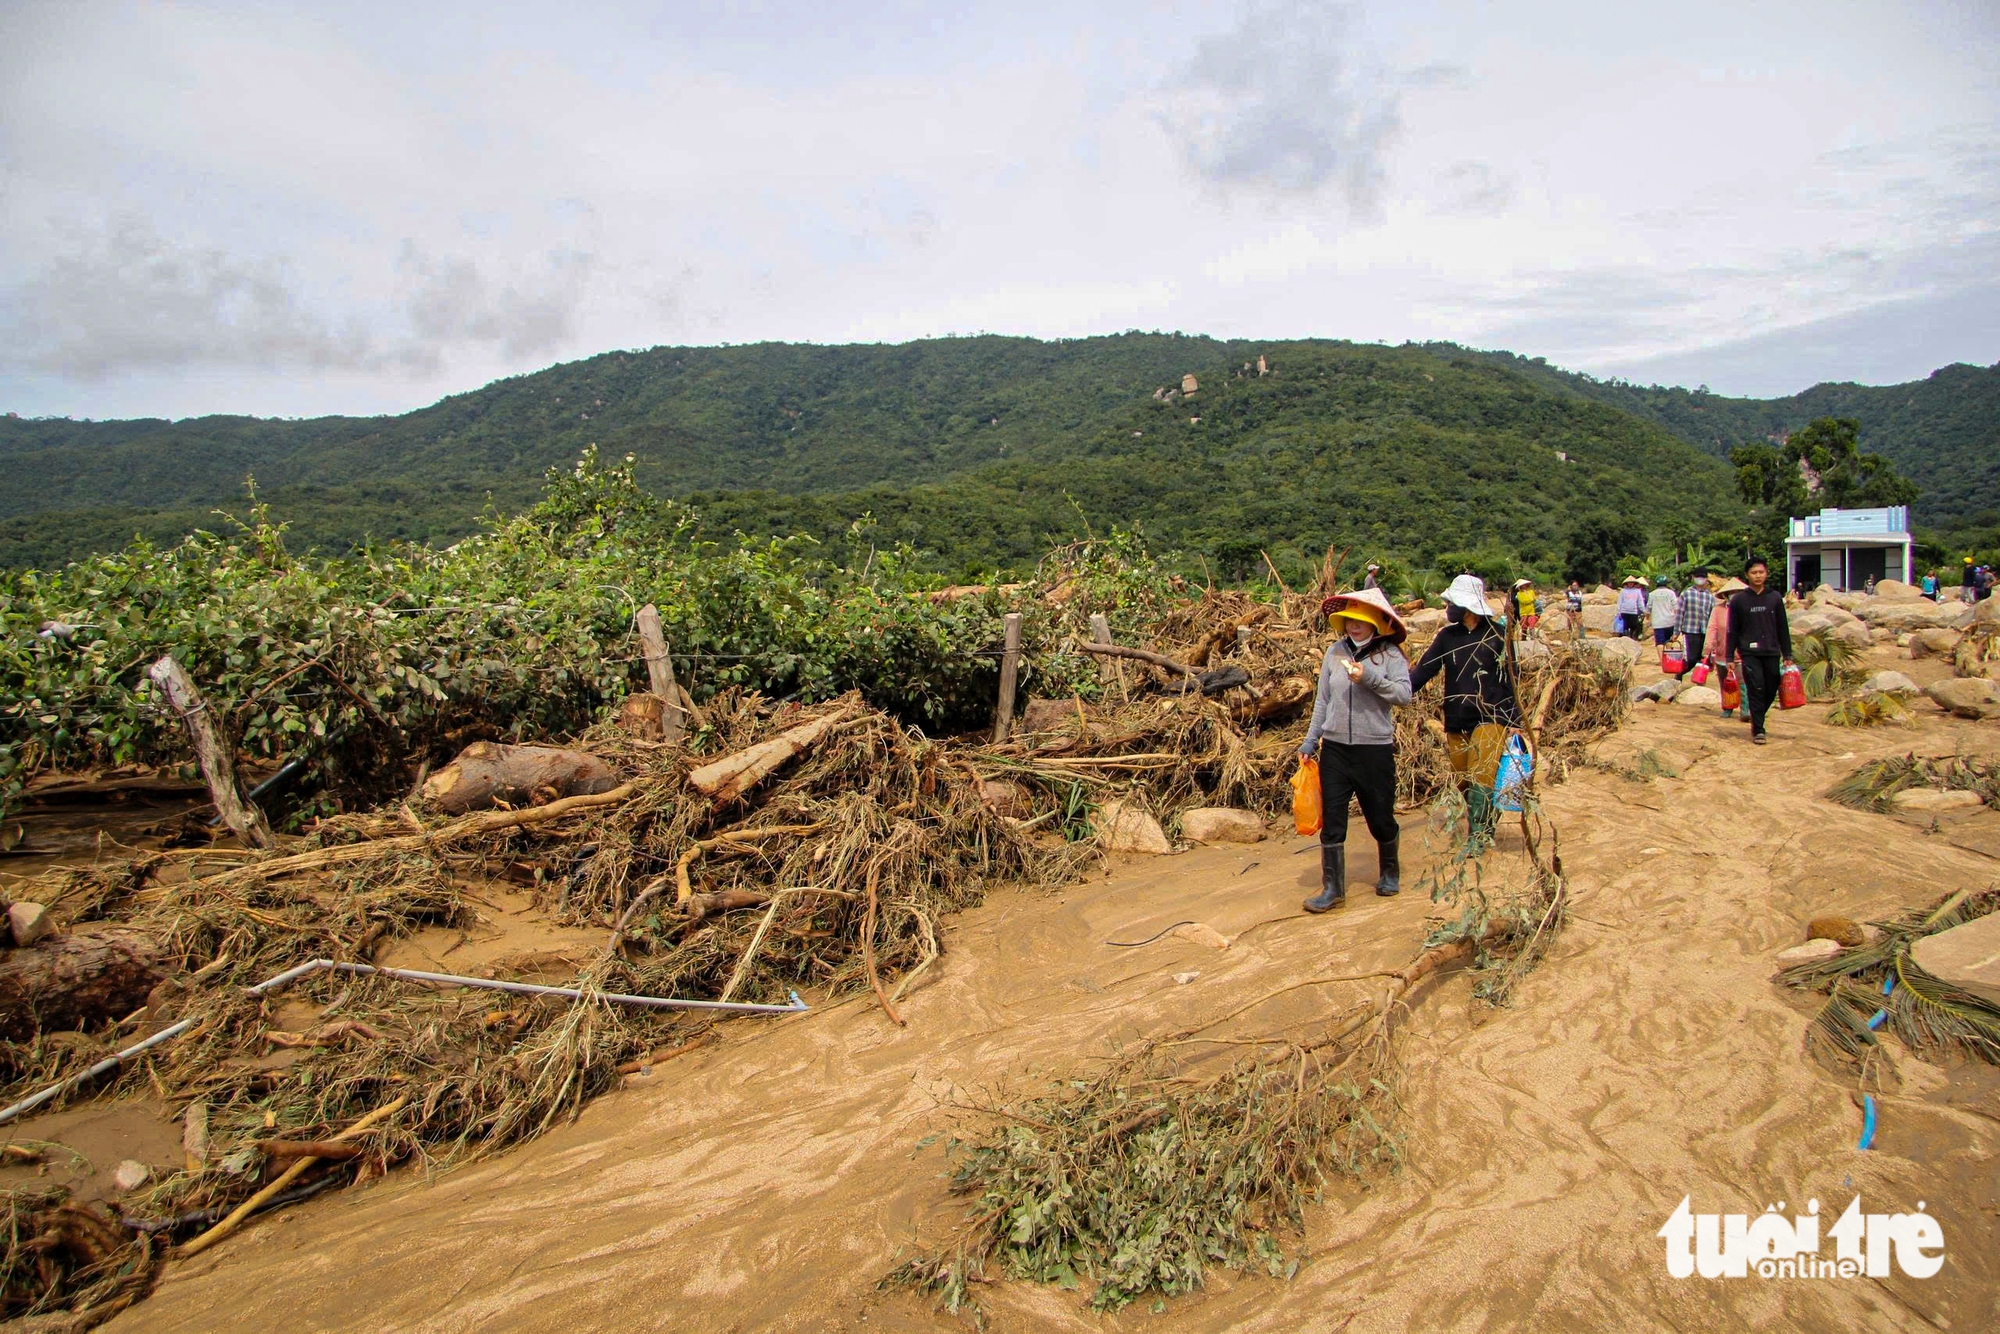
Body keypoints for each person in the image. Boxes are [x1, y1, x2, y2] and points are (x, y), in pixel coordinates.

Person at [1297, 587, 1412, 912]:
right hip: (1334, 750)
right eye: (1348, 620)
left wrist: (1370, 678)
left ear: (1376, 621)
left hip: (1373, 750)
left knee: (1380, 817)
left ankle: (1389, 872)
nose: (1353, 626)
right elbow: (1323, 700)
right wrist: (1310, 739)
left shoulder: (1389, 656)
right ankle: (1333, 889)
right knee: (1333, 820)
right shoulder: (1334, 652)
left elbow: (1404, 695)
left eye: (1360, 620)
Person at [1410, 574, 1521, 848]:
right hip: (1457, 718)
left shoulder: (1497, 635)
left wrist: (1515, 718)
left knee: (1481, 774)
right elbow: (1425, 669)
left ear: (1467, 607)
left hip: (1491, 715)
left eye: (1451, 603)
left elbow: (1511, 678)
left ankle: (1478, 836)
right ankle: (1488, 818)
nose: (1448, 609)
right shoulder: (1447, 637)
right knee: (1464, 779)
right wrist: (1395, 691)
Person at [1728, 556, 1794, 745]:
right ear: (1747, 575)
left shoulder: (1774, 598)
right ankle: (1758, 728)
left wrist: (1787, 654)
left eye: (1761, 572)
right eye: (1753, 573)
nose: (1758, 576)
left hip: (1772, 650)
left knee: (1771, 687)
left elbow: (1783, 627)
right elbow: (1733, 630)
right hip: (1749, 652)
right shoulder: (1739, 600)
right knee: (1756, 687)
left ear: (1766, 574)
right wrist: (1730, 654)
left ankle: (1757, 715)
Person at [1674, 569, 1715, 676]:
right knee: (1691, 658)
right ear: (1693, 577)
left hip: (1705, 631)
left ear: (1706, 579)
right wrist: (1676, 631)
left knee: (1702, 659)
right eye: (1698, 576)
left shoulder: (1710, 596)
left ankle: (1698, 680)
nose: (1700, 579)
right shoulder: (1686, 594)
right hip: (1689, 630)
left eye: (1703, 577)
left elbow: (1712, 615)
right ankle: (1680, 674)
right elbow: (1679, 613)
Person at [1648, 578, 1681, 664]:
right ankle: (1669, 658)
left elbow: (1648, 608)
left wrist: (1647, 616)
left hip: (1658, 622)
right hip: (1670, 621)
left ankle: (1662, 661)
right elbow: (1676, 607)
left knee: (1659, 642)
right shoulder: (1671, 593)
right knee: (1670, 640)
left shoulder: (1652, 594)